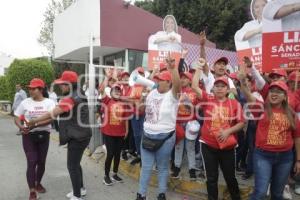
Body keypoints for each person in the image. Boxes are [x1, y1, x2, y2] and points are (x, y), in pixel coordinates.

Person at [27, 71, 92, 200]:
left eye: (63, 84)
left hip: (77, 137)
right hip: (82, 135)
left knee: (72, 166)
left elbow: (53, 113)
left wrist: (34, 121)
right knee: (76, 164)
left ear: (69, 84)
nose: (61, 86)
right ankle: (80, 189)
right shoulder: (79, 94)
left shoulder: (71, 98)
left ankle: (77, 195)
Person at [239, 66, 300, 199]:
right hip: (263, 156)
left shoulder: (292, 114)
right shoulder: (261, 108)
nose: (274, 94)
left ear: (285, 96)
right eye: (272, 90)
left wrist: (298, 160)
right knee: (260, 192)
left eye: (279, 92)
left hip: (285, 158)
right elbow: (249, 96)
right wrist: (243, 81)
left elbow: (297, 137)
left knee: (277, 194)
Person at [192, 62, 245, 200]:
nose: (220, 88)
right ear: (213, 89)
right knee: (211, 178)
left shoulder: (235, 104)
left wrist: (228, 132)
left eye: (223, 86)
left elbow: (241, 123)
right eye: (217, 86)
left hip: (227, 147)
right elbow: (194, 86)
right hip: (208, 146)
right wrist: (198, 68)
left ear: (228, 90)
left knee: (230, 177)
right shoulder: (207, 99)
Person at [136, 55, 181, 200]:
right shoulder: (151, 93)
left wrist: (173, 69)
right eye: (157, 79)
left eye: (160, 80)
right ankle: (141, 194)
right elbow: (142, 110)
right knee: (146, 168)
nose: (157, 82)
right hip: (148, 135)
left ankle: (161, 193)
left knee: (162, 167)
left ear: (168, 83)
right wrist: (142, 100)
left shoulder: (173, 95)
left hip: (165, 138)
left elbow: (178, 84)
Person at [14, 78, 55, 200]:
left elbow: (51, 119)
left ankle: (38, 183)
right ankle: (32, 191)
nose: (30, 90)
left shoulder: (49, 102)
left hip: (44, 135)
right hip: (28, 136)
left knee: (41, 162)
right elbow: (16, 117)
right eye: (30, 88)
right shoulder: (25, 102)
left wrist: (36, 124)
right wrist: (21, 126)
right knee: (32, 162)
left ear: (41, 89)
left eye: (33, 88)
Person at [100, 83, 130, 186]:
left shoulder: (124, 104)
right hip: (108, 133)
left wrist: (127, 130)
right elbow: (101, 89)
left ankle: (115, 174)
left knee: (118, 154)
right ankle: (106, 176)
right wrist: (107, 78)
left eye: (118, 91)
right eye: (115, 91)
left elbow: (126, 119)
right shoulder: (107, 100)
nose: (117, 92)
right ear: (111, 92)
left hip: (120, 133)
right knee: (110, 154)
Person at [171, 72, 199, 181]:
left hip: (190, 123)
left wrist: (188, 103)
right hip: (178, 123)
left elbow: (199, 109)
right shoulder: (177, 91)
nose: (182, 80)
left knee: (190, 147)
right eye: (181, 78)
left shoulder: (194, 92)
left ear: (190, 80)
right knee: (178, 146)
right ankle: (177, 167)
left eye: (185, 78)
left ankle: (192, 169)